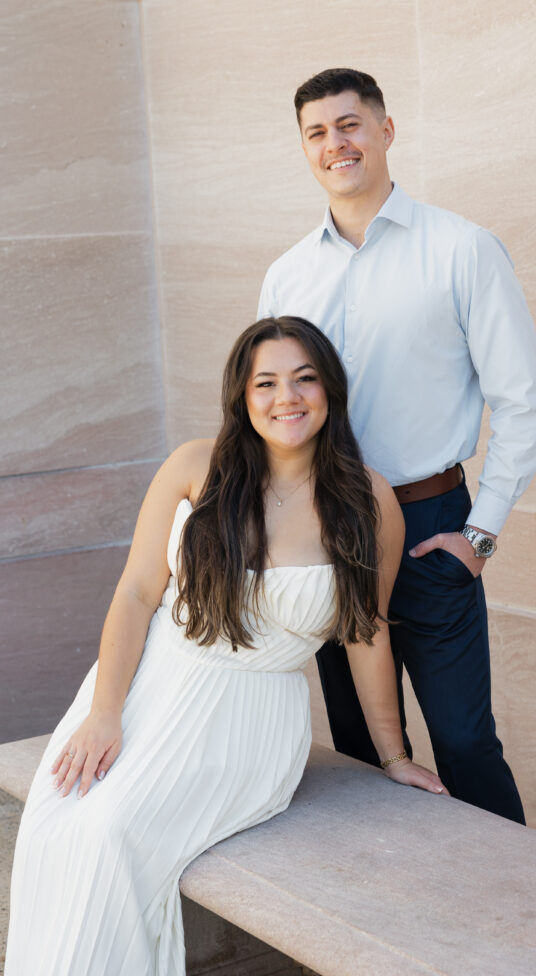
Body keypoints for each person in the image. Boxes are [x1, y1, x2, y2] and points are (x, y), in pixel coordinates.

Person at [6, 316, 445, 976]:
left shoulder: (367, 498)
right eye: (265, 382)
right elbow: (134, 595)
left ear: (329, 390)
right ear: (242, 396)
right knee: (55, 821)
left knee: (108, 834)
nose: (286, 398)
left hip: (248, 722)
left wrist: (394, 755)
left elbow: (367, 630)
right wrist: (104, 712)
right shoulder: (193, 466)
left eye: (304, 379)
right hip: (149, 685)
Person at [258, 68, 536, 824]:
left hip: (428, 528)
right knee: (359, 749)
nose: (335, 143)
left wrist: (478, 533)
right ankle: (392, 928)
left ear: (385, 131)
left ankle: (517, 912)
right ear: (303, 149)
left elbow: (520, 403)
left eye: (350, 125)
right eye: (317, 132)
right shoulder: (286, 275)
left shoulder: (461, 249)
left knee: (462, 741)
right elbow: (266, 410)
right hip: (320, 529)